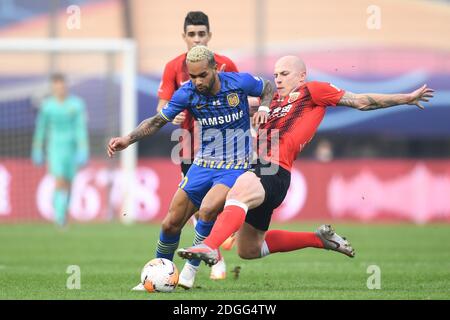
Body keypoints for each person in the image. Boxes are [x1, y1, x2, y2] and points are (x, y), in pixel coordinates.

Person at [177, 55, 434, 268]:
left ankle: (209, 246)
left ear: (301, 76)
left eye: (285, 73)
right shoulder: (270, 101)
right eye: (276, 74)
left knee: (237, 190)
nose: (278, 79)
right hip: (256, 169)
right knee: (249, 249)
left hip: (274, 170)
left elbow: (361, 101)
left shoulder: (312, 91)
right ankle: (319, 239)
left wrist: (406, 98)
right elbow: (231, 104)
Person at [107, 46, 274, 289]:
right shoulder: (186, 93)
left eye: (202, 75)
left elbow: (267, 87)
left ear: (215, 69)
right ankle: (158, 275)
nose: (197, 81)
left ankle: (188, 272)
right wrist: (127, 139)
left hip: (235, 166)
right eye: (192, 76)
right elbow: (156, 122)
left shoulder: (238, 83)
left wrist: (264, 108)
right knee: (170, 223)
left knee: (206, 210)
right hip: (203, 164)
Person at [156, 11, 239, 282]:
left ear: (209, 36)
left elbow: (243, 99)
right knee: (195, 208)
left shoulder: (226, 65)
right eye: (191, 34)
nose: (196, 39)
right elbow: (162, 108)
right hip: (189, 148)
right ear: (184, 37)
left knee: (211, 205)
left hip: (227, 150)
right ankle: (212, 255)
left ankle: (209, 252)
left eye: (201, 34)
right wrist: (173, 115)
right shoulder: (173, 67)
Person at [31, 74, 89, 227]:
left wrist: (83, 148)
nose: (60, 89)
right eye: (57, 86)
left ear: (66, 86)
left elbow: (80, 128)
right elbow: (41, 128)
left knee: (69, 183)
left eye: (62, 85)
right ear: (53, 88)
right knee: (60, 181)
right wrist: (37, 148)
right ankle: (59, 216)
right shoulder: (47, 106)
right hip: (55, 148)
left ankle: (63, 212)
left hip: (71, 148)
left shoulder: (76, 104)